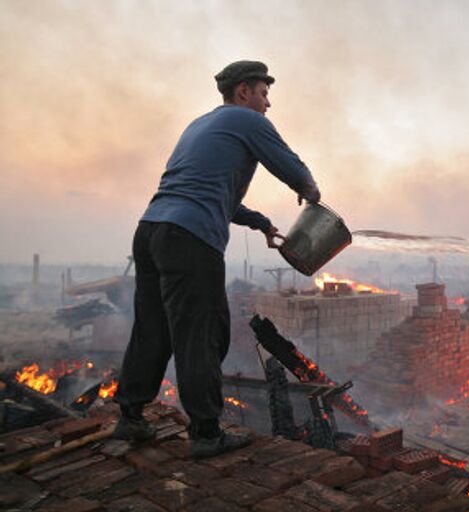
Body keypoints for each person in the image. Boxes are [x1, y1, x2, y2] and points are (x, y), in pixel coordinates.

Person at [113, 60, 320, 458]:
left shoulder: (199, 125)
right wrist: (311, 191)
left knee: (152, 326)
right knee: (201, 332)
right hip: (191, 240)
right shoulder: (248, 121)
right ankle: (207, 433)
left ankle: (130, 417)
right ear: (243, 92)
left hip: (152, 230)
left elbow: (207, 190)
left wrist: (258, 221)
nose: (267, 104)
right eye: (263, 93)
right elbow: (289, 165)